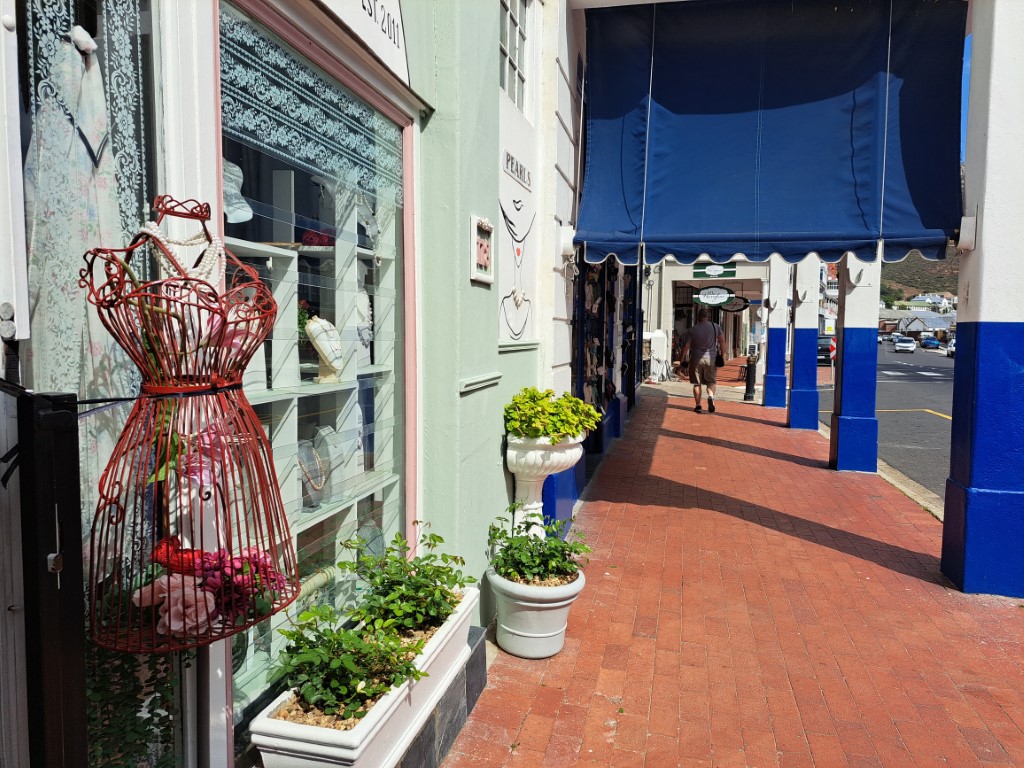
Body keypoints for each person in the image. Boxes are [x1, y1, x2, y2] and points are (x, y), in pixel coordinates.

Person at [681, 308, 726, 413]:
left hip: (696, 359)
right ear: (708, 317)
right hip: (711, 358)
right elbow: (722, 342)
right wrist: (723, 355)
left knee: (697, 384)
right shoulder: (715, 327)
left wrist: (681, 359)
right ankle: (710, 396)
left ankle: (698, 405)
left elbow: (686, 346)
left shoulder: (692, 330)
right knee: (711, 382)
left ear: (698, 317)